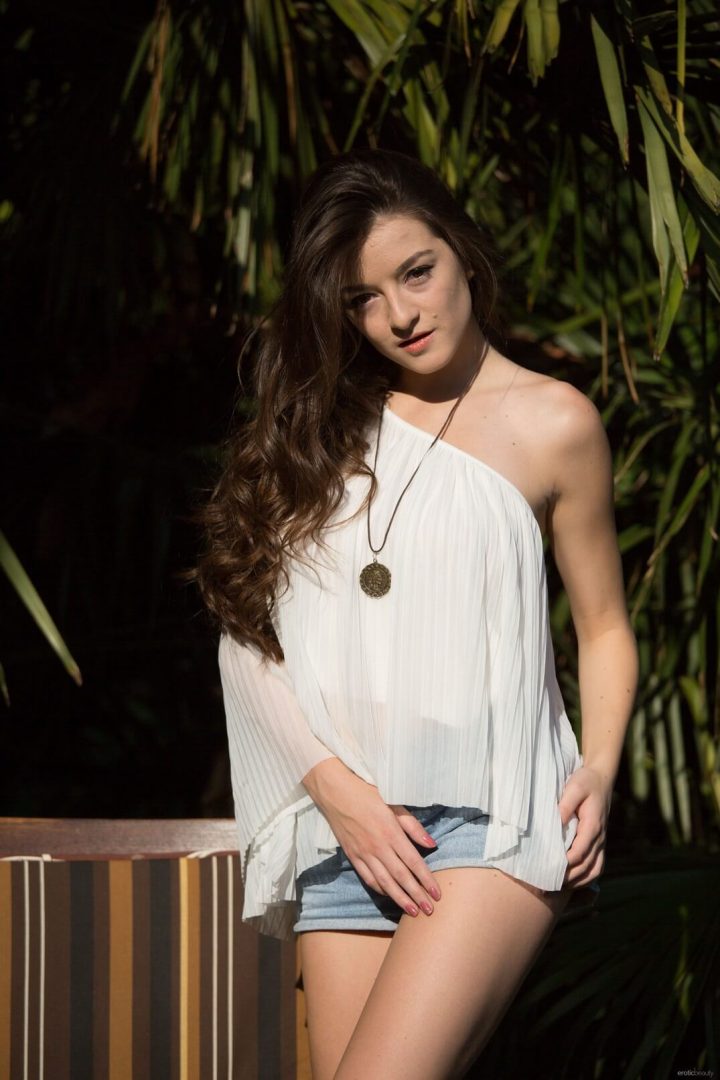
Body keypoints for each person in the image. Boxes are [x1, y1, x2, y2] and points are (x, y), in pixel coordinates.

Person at [195, 148, 639, 1079]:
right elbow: (248, 636)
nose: (400, 313)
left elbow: (603, 626)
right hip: (345, 826)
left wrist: (598, 768)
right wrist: (334, 790)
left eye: (416, 272)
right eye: (363, 298)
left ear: (462, 252)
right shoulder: (319, 428)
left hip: (492, 816)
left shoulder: (556, 423)